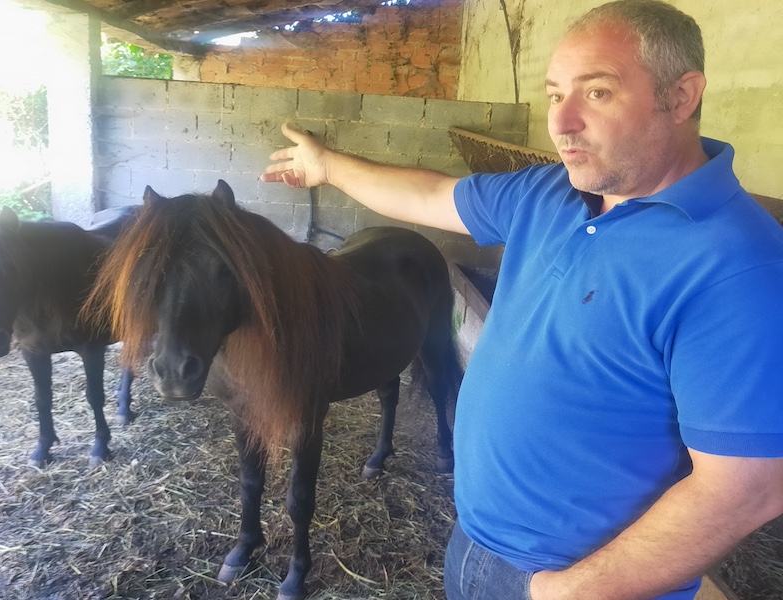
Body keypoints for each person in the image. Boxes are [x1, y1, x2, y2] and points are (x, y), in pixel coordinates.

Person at [261, 1, 783, 598]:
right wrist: (328, 165)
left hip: (588, 581)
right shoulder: (547, 194)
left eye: (599, 93)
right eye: (556, 94)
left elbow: (746, 488)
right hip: (475, 542)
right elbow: (430, 194)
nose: (562, 123)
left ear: (682, 95)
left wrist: (567, 590)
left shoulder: (740, 265)